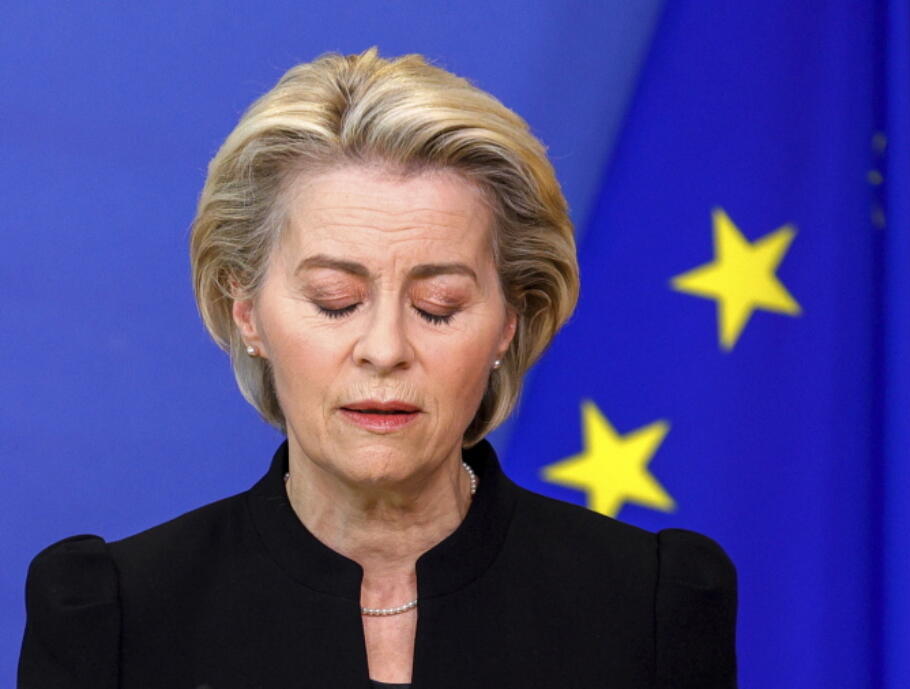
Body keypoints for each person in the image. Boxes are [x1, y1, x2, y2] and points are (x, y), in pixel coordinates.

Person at [17, 49, 736, 688]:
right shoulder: (110, 611)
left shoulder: (653, 601)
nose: (385, 348)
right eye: (337, 301)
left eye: (438, 304)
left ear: (509, 321)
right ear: (247, 312)